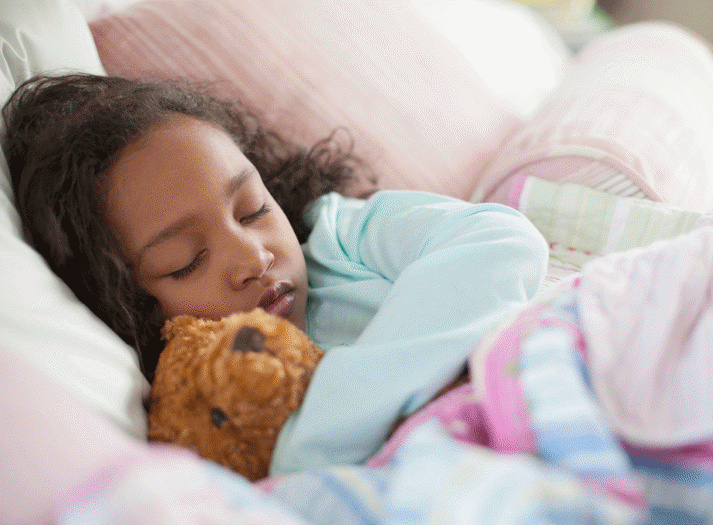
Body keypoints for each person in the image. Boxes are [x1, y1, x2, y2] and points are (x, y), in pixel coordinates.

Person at [2, 73, 548, 475]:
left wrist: (318, 439)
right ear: (123, 302)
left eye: (252, 210)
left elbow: (502, 242)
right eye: (185, 262)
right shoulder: (202, 414)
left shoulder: (341, 239)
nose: (253, 258)